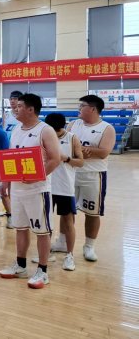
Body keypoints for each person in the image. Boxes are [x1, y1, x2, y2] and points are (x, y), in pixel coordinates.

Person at [0, 93, 60, 289]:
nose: (15, 108)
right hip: (18, 189)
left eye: (20, 106)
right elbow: (10, 158)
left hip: (38, 189)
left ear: (31, 109)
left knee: (42, 231)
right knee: (20, 228)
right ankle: (20, 265)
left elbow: (55, 159)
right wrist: (6, 181)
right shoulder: (17, 129)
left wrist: (38, 176)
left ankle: (42, 271)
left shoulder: (45, 130)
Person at [67, 95, 116, 262]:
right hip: (72, 172)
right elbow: (65, 145)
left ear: (93, 109)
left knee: (92, 213)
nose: (79, 108)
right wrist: (82, 151)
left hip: (94, 175)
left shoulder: (106, 128)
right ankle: (62, 241)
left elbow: (104, 152)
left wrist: (80, 149)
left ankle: (89, 246)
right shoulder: (73, 124)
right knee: (67, 211)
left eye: (83, 105)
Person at [44, 113, 84, 271]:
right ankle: (45, 252)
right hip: (47, 185)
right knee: (46, 221)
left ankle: (70, 255)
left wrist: (66, 158)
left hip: (65, 186)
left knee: (68, 222)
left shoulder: (72, 138)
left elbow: (80, 162)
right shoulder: (44, 137)